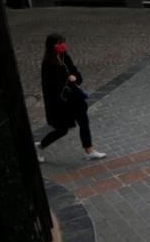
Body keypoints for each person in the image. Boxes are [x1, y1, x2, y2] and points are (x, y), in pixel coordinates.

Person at [36, 33, 106, 162]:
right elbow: (49, 86)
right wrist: (66, 80)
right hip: (62, 103)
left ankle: (89, 151)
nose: (62, 45)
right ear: (52, 45)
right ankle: (40, 146)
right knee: (62, 130)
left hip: (74, 97)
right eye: (59, 43)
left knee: (84, 122)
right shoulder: (48, 63)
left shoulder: (65, 57)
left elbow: (76, 73)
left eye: (63, 42)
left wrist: (75, 78)